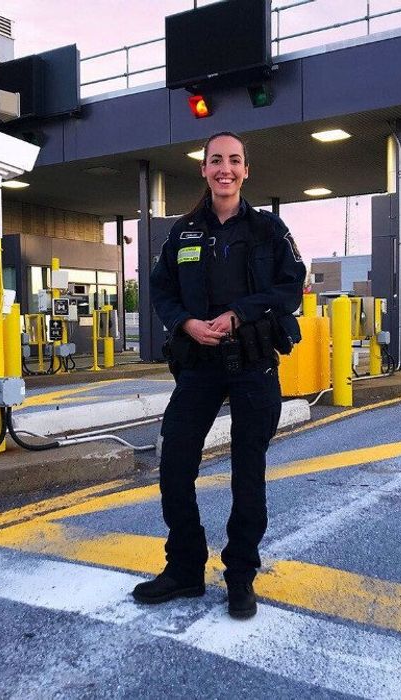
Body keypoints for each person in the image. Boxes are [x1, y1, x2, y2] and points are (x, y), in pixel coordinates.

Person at [133, 131, 306, 619]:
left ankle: (240, 577)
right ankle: (186, 568)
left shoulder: (269, 229)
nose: (224, 169)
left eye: (234, 161)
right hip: (199, 365)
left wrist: (238, 314)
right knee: (174, 463)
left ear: (246, 170)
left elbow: (290, 287)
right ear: (204, 170)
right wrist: (184, 321)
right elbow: (160, 286)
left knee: (247, 475)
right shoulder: (184, 232)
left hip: (252, 363)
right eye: (216, 161)